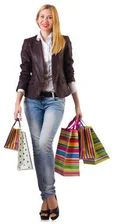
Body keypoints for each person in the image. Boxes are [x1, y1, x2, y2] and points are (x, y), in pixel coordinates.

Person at [13, 4, 82, 221]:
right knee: (37, 148)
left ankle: (49, 196)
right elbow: (24, 74)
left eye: (49, 17)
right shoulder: (28, 44)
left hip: (55, 101)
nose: (45, 20)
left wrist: (78, 104)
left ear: (55, 20)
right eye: (42, 17)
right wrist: (17, 103)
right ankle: (47, 198)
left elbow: (69, 73)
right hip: (32, 101)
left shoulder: (63, 41)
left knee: (44, 144)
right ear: (37, 19)